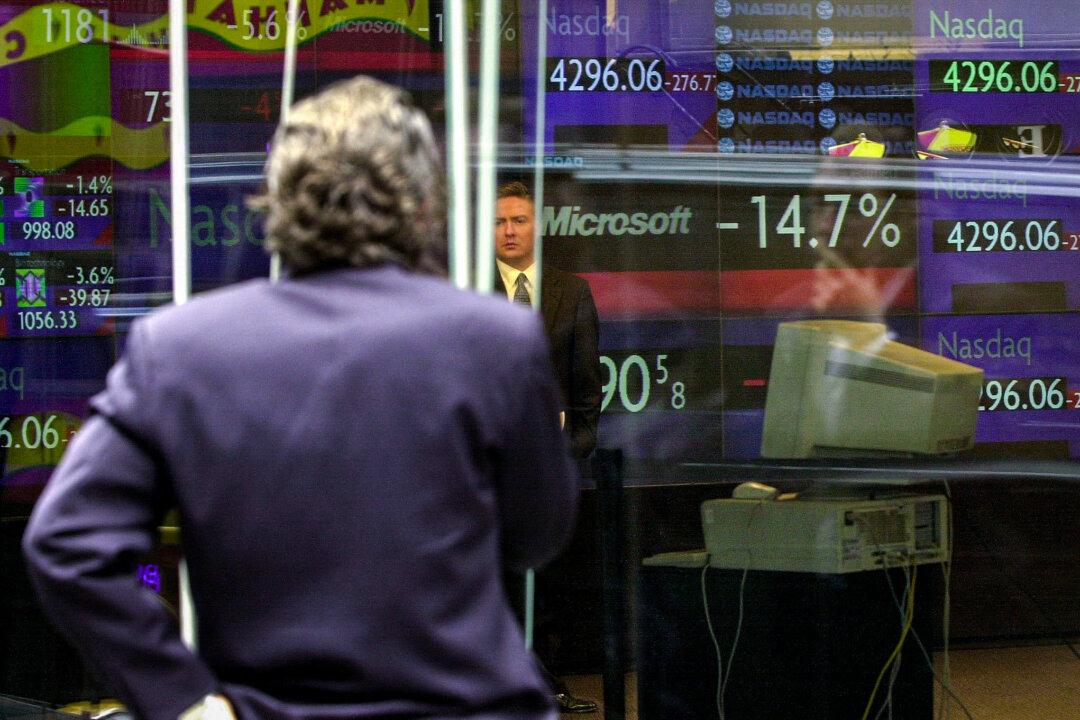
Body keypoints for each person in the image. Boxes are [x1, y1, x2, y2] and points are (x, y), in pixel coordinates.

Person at [22, 77, 579, 720]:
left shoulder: (178, 350)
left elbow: (66, 543)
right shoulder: (495, 339)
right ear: (425, 207)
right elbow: (538, 535)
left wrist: (182, 700)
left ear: (277, 205)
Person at [493, 181, 602, 714]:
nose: (509, 231)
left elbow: (587, 397)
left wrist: (566, 456)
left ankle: (546, 686)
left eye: (518, 220)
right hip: (484, 479)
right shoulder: (467, 293)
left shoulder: (572, 292)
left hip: (552, 475)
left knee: (549, 589)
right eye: (500, 222)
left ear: (538, 227)